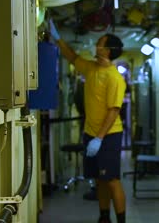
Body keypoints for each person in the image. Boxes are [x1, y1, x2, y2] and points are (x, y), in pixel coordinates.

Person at [50, 20, 127, 223]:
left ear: (108, 50)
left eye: (100, 43)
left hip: (108, 135)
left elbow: (113, 111)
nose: (96, 45)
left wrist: (99, 139)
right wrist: (58, 40)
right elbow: (73, 57)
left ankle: (121, 220)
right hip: (91, 133)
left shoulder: (114, 78)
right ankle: (104, 217)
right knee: (100, 178)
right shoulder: (91, 69)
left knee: (112, 179)